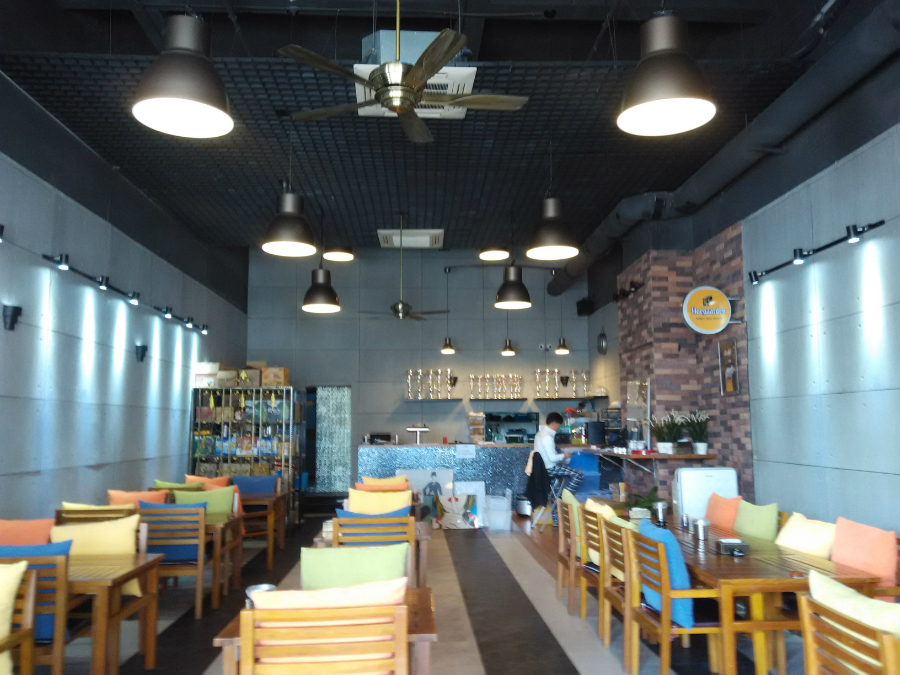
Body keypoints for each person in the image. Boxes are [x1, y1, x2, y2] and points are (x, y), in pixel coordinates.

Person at [534, 411, 583, 526]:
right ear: (554, 423)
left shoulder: (539, 434)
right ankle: (565, 498)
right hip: (550, 469)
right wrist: (564, 455)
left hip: (542, 469)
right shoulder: (547, 437)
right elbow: (552, 458)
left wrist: (560, 456)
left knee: (556, 491)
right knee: (579, 475)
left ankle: (557, 520)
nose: (559, 427)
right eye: (559, 425)